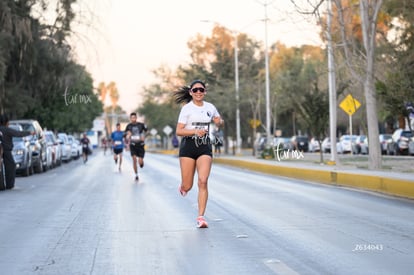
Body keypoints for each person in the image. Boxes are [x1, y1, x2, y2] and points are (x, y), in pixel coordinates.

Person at [173, 80, 224, 228]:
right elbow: (179, 131)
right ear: (191, 93)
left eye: (201, 89)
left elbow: (219, 121)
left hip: (204, 146)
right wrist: (195, 131)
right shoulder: (186, 109)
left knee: (203, 181)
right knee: (188, 185)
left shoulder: (210, 107)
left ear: (205, 91)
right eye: (195, 90)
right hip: (188, 146)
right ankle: (183, 187)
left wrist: (219, 121)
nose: (198, 92)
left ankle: (201, 217)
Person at [0, 114, 34, 190]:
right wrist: (29, 133)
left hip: (2, 150)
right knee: (11, 165)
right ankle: (10, 184)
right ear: (6, 122)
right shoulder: (7, 130)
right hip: (6, 151)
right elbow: (18, 134)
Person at [124, 112, 147, 181]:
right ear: (130, 118)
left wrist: (143, 137)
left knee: (140, 162)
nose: (133, 119)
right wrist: (127, 135)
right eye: (132, 118)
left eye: (134, 117)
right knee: (134, 159)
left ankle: (141, 163)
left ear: (136, 118)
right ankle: (136, 174)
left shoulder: (141, 125)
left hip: (140, 145)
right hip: (133, 145)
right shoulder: (128, 126)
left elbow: (146, 131)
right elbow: (125, 135)